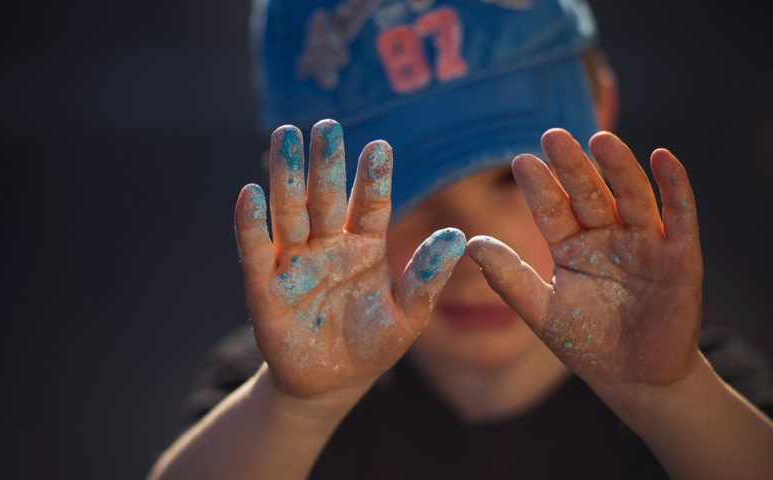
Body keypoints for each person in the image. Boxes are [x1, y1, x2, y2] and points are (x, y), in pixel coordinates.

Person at [148, 1, 773, 479]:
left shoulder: (702, 400)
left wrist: (668, 397)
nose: (473, 247)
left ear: (600, 110)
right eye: (400, 191)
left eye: (512, 178)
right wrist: (298, 407)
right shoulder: (276, 401)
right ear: (302, 193)